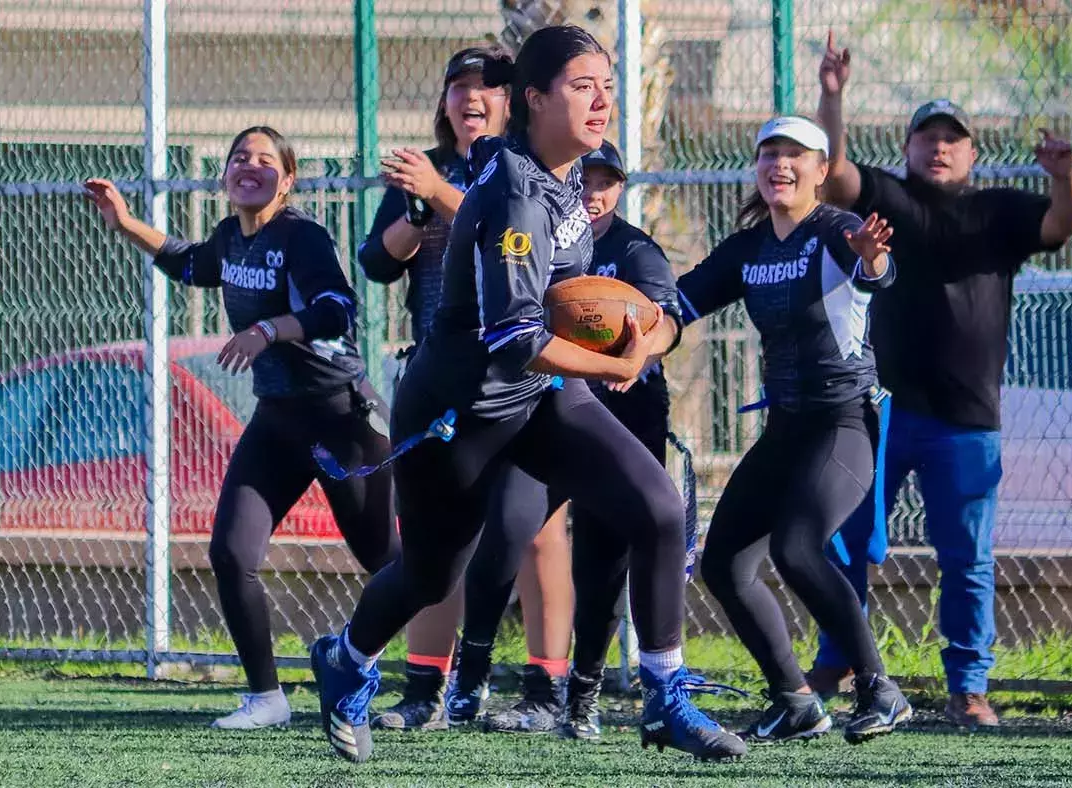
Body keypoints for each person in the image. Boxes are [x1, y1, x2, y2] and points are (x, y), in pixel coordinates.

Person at [308, 24, 746, 763]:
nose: (603, 99)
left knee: (660, 510)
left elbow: (562, 311)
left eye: (607, 86)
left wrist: (636, 334)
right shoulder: (517, 192)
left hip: (538, 393)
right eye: (583, 86)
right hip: (462, 405)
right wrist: (611, 365)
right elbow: (513, 335)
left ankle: (664, 696)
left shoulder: (561, 173)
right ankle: (347, 659)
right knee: (430, 572)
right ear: (535, 99)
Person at [811, 32, 1072, 727]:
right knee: (844, 541)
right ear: (907, 149)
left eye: (952, 138)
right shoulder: (890, 200)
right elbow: (836, 173)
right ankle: (837, 658)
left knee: (966, 556)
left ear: (971, 152)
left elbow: (1065, 223)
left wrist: (1062, 175)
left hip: (966, 418)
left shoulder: (999, 210)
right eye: (926, 137)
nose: (939, 147)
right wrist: (833, 97)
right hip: (877, 411)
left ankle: (969, 686)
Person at [83, 126, 398, 730]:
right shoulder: (232, 236)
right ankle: (266, 697)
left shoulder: (302, 236)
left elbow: (338, 309)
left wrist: (268, 330)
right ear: (225, 175)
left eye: (263, 159)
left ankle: (446, 671)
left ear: (289, 176)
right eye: (238, 158)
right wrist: (124, 222)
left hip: (340, 417)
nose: (248, 166)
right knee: (230, 552)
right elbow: (190, 261)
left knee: (387, 559)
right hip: (277, 420)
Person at [356, 44, 575, 734]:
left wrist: (442, 196)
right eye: (460, 87)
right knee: (433, 539)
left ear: (518, 101)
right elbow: (376, 262)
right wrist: (419, 210)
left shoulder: (522, 169)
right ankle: (427, 689)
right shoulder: (429, 168)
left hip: (524, 376)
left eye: (488, 88)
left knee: (539, 532)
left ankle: (547, 688)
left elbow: (494, 234)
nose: (472, 98)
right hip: (445, 383)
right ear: (444, 100)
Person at [681, 115, 911, 745]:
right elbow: (679, 301)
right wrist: (623, 322)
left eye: (794, 155)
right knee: (724, 563)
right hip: (784, 431)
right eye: (768, 154)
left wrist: (872, 258)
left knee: (798, 547)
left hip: (843, 425)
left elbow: (873, 271)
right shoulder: (750, 247)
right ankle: (796, 702)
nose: (779, 165)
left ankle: (878, 690)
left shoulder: (837, 229)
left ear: (818, 170)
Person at [452, 140, 684, 739]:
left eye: (608, 180)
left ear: (621, 188)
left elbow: (669, 321)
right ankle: (473, 680)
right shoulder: (542, 230)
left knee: (603, 561)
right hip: (548, 412)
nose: (594, 190)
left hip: (621, 417)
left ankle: (580, 700)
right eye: (587, 177)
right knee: (504, 533)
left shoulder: (634, 250)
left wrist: (640, 349)